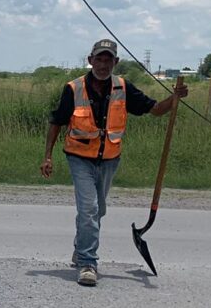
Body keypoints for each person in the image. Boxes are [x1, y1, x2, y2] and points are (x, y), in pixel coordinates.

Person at [40, 38, 188, 287]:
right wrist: (47, 156)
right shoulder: (74, 88)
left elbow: (155, 110)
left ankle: (80, 246)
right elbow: (57, 122)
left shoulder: (123, 87)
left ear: (116, 62)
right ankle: (88, 263)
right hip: (79, 158)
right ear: (90, 61)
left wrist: (174, 98)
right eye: (99, 58)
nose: (103, 64)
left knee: (99, 210)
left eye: (108, 59)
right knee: (89, 210)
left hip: (109, 160)